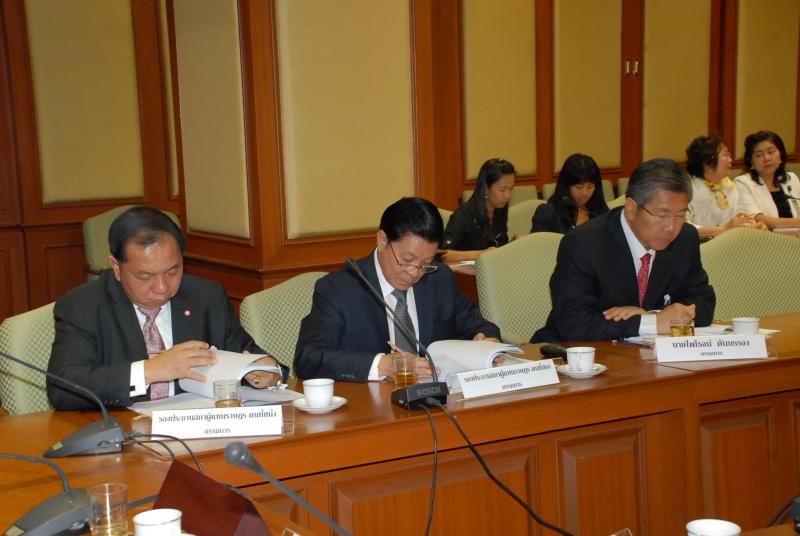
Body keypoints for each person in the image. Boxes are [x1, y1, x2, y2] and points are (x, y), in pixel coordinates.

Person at [47, 206, 287, 410]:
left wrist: (265, 373)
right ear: (116, 267)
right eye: (145, 276)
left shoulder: (207, 297)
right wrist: (150, 370)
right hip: (122, 436)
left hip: (201, 431)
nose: (162, 288)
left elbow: (251, 357)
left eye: (173, 271)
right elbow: (64, 388)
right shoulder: (83, 307)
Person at [294, 197, 501, 382]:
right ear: (382, 241)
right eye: (407, 260)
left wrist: (485, 340)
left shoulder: (439, 279)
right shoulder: (339, 289)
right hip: (370, 407)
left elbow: (482, 326)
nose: (414, 272)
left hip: (436, 402)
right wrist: (381, 365)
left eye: (425, 263)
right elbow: (308, 358)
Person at [531, 158, 716, 342]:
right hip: (574, 352)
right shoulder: (583, 244)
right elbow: (574, 323)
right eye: (662, 215)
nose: (671, 227)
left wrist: (652, 317)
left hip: (647, 354)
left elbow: (704, 303)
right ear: (631, 208)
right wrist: (651, 322)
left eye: (680, 215)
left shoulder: (685, 238)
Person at [685, 134, 766, 237]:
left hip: (729, 242)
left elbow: (740, 217)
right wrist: (723, 229)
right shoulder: (687, 189)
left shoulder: (728, 186)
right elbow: (683, 227)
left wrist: (753, 227)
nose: (730, 160)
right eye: (725, 155)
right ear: (707, 164)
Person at [441, 158, 515, 261]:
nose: (508, 196)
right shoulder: (464, 216)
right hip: (468, 271)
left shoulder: (499, 210)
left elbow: (497, 249)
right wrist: (481, 254)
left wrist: (515, 243)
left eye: (511, 189)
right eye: (502, 190)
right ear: (486, 188)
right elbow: (443, 254)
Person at [734, 130, 800, 229]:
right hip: (767, 237)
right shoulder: (742, 183)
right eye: (759, 155)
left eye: (771, 152)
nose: (767, 158)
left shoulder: (791, 178)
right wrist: (797, 223)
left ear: (780, 154)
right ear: (751, 161)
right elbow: (756, 218)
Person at [531, 153, 609, 233]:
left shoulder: (600, 209)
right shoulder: (547, 213)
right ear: (566, 185)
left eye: (590, 187)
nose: (584, 193)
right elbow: (538, 240)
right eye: (578, 187)